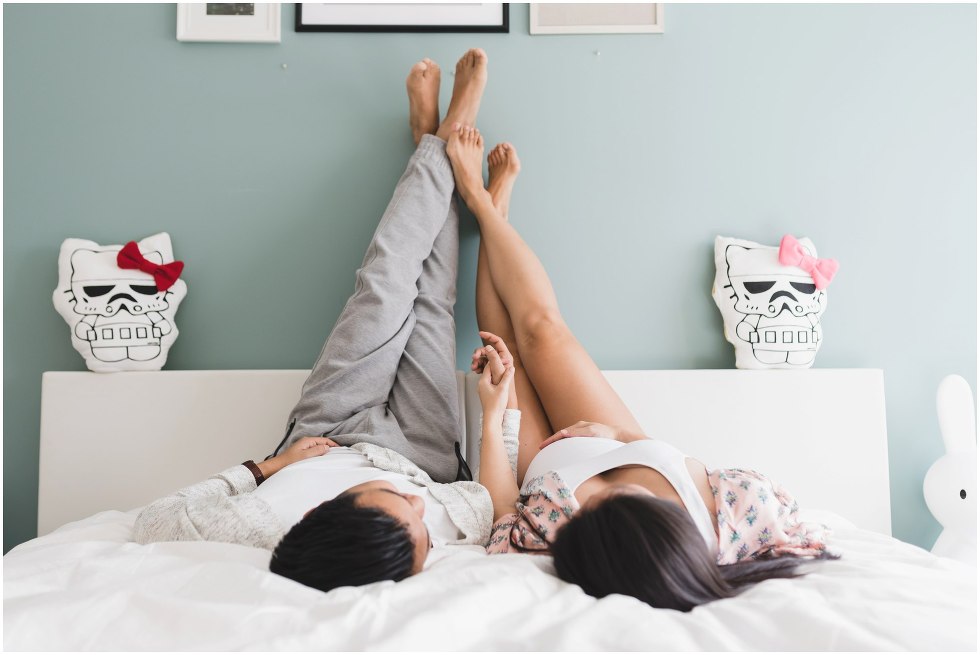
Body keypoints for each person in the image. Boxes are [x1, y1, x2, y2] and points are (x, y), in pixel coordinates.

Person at [133, 50, 523, 593]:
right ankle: (434, 147)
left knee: (387, 282)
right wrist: (497, 410)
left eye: (394, 507)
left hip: (329, 428)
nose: (417, 505)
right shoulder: (434, 516)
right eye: (424, 536)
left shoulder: (259, 527)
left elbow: (152, 523)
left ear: (327, 517)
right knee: (434, 300)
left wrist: (268, 469)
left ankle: (439, 137)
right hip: (425, 450)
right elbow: (497, 508)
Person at [445, 125, 837, 613]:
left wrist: (494, 406)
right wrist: (621, 438)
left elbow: (503, 512)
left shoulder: (560, 535)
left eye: (590, 510)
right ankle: (481, 203)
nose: (601, 492)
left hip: (539, 462)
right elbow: (809, 540)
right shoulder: (734, 516)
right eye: (629, 498)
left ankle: (493, 212)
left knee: (508, 354)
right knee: (543, 331)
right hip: (611, 431)